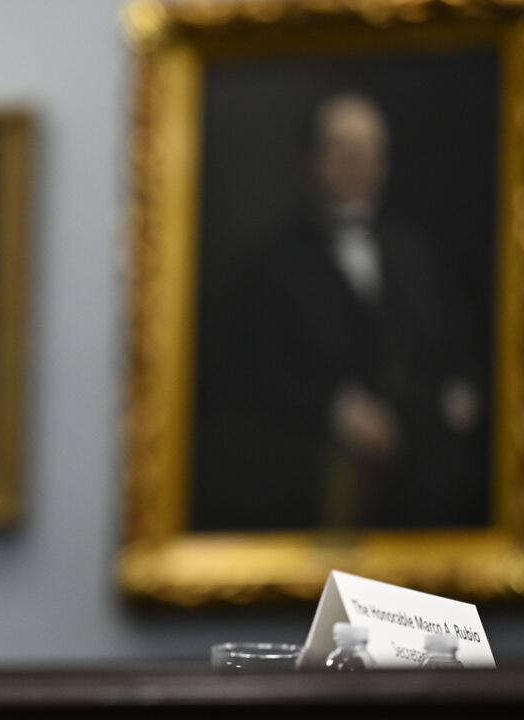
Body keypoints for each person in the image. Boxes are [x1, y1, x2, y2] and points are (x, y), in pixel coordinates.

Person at [196, 92, 487, 530]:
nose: (361, 164)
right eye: (345, 150)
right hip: (317, 476)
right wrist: (335, 410)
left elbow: (455, 348)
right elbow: (251, 373)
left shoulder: (414, 255)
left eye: (372, 151)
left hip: (425, 472)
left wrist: (459, 392)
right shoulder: (271, 265)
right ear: (311, 160)